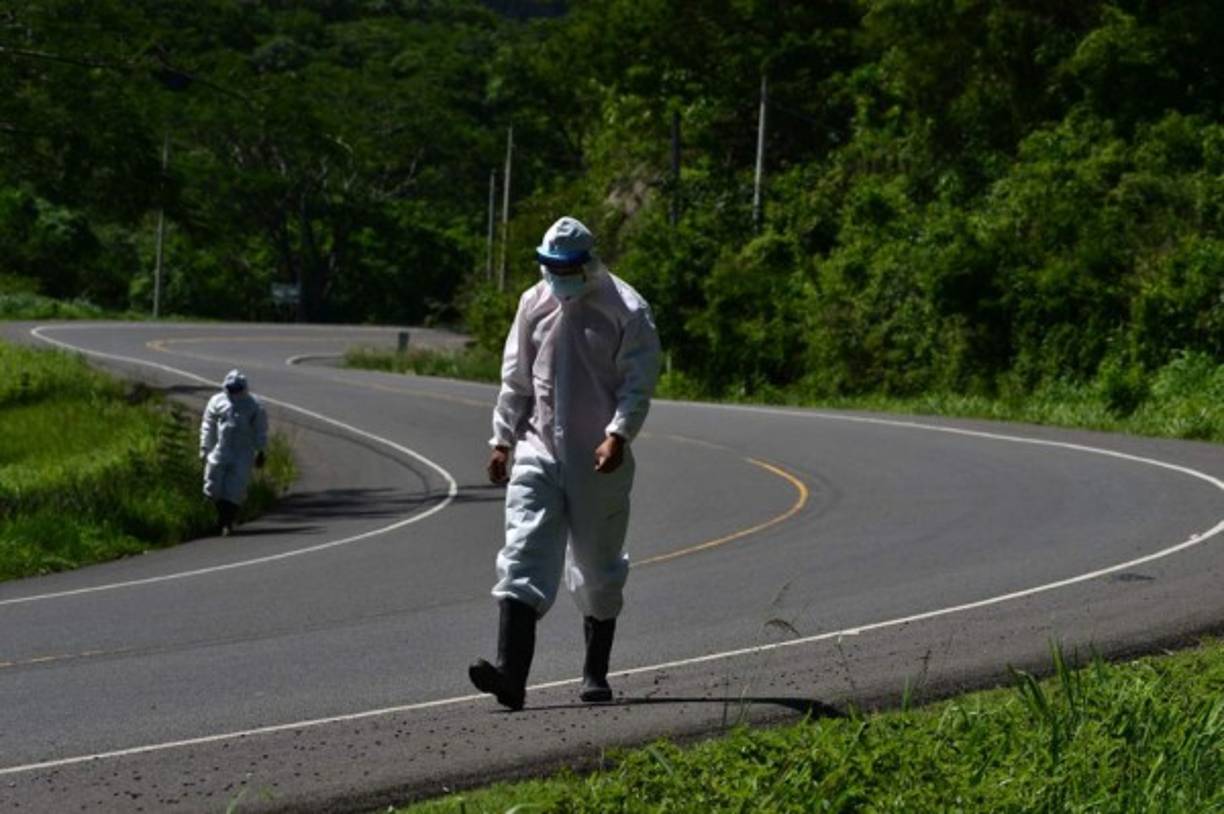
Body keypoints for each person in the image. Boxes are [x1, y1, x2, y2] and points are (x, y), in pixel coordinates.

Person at [469, 215, 661, 710]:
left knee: (597, 566)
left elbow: (637, 384)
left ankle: (595, 672)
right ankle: (511, 676)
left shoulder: (627, 309)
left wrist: (618, 435)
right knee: (523, 552)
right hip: (538, 450)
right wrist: (502, 440)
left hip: (598, 459)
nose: (558, 276)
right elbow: (516, 379)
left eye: (566, 267)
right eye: (550, 266)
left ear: (588, 263)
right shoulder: (533, 304)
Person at [199, 369, 269, 537]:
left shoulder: (254, 405)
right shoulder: (217, 401)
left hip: (242, 452)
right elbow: (208, 425)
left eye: (237, 388)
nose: (234, 392)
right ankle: (219, 517)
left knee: (235, 489)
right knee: (212, 486)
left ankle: (226, 522)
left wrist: (260, 450)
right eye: (231, 388)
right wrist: (205, 447)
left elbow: (260, 430)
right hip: (221, 449)